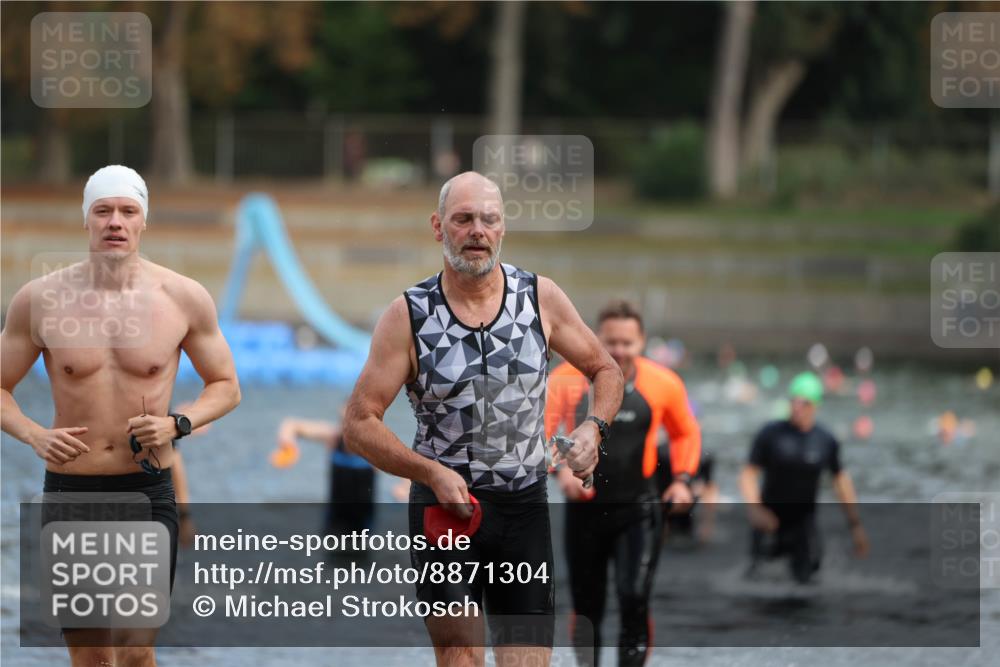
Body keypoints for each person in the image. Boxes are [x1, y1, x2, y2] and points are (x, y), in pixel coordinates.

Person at [342, 172, 624, 667]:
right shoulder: (409, 315)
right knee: (461, 658)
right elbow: (359, 422)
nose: (477, 230)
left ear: (502, 227)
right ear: (438, 227)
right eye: (464, 219)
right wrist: (429, 472)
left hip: (524, 509)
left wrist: (592, 428)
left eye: (489, 219)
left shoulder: (538, 297)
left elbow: (607, 370)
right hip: (446, 510)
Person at [1, 165, 241, 667]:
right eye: (103, 210)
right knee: (92, 658)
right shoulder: (40, 300)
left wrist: (178, 424)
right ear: (86, 219)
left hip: (145, 490)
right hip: (72, 491)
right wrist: (32, 434)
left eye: (128, 211)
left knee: (135, 652)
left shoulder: (181, 297)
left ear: (143, 221)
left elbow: (226, 386)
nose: (115, 221)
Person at [546, 299, 700, 667]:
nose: (618, 350)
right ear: (595, 338)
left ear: (641, 342)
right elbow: (542, 434)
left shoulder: (663, 383)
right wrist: (560, 472)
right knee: (588, 606)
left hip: (639, 509)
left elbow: (685, 433)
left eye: (627, 343)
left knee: (634, 596)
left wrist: (682, 479)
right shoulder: (565, 380)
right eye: (610, 341)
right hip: (585, 511)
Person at [739, 372, 868, 584]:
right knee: (758, 582)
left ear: (816, 405)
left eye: (804, 403)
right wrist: (755, 509)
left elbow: (841, 482)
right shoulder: (770, 434)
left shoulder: (825, 440)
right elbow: (748, 474)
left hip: (804, 522)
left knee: (809, 584)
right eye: (794, 401)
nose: (797, 407)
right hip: (770, 519)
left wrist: (855, 526)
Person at [276, 411, 376, 538]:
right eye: (345, 422)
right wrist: (288, 444)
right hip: (334, 522)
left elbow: (399, 460)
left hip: (363, 525)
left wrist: (401, 485)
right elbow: (291, 425)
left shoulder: (375, 448)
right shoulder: (334, 438)